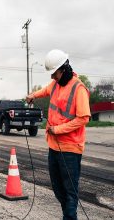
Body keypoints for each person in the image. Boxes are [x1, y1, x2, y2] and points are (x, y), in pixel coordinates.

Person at [26, 49, 90, 220]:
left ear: (64, 69)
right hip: (54, 146)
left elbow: (83, 118)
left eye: (54, 73)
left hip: (70, 149)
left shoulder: (79, 88)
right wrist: (33, 95)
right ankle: (67, 216)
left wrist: (58, 129)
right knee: (57, 188)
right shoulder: (55, 84)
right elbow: (46, 90)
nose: (52, 77)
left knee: (70, 192)